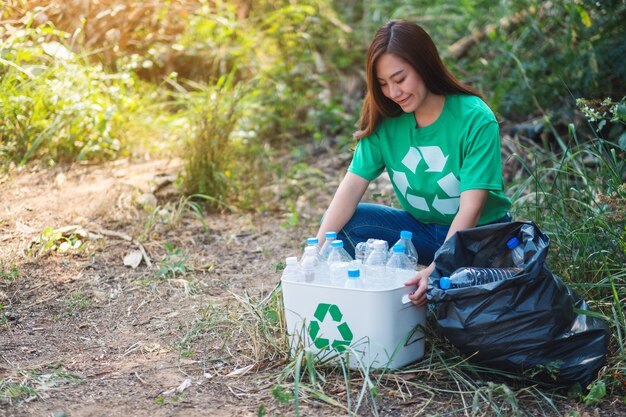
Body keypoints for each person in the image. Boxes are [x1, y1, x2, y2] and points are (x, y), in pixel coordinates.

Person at [315, 20, 511, 306]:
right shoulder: (386, 119)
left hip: (479, 239)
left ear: (424, 65)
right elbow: (350, 189)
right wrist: (315, 254)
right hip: (421, 230)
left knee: (470, 306)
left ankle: (442, 287)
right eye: (382, 84)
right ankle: (368, 302)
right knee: (341, 229)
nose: (393, 93)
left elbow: (472, 207)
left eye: (400, 79)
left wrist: (435, 270)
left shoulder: (474, 117)